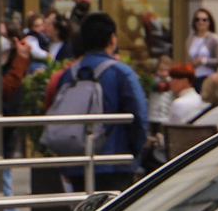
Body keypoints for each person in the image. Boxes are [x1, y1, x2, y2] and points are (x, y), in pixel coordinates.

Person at [47, 13, 149, 190]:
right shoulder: (122, 73)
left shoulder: (69, 74)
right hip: (114, 162)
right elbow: (138, 117)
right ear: (112, 39)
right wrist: (134, 155)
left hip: (77, 163)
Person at [187, 8, 218, 80]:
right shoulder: (191, 38)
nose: (201, 22)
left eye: (204, 20)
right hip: (193, 76)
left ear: (209, 22)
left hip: (208, 77)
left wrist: (203, 61)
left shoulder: (214, 39)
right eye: (197, 20)